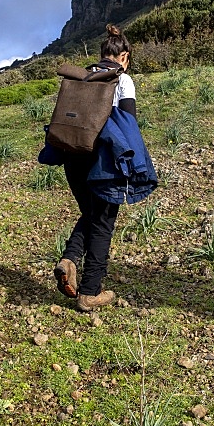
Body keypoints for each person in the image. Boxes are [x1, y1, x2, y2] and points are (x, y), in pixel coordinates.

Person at [54, 24, 144, 312]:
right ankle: (90, 292)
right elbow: (128, 123)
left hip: (72, 153)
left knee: (91, 214)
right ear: (124, 57)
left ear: (102, 53)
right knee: (103, 221)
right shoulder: (123, 79)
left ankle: (69, 259)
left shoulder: (82, 75)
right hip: (103, 160)